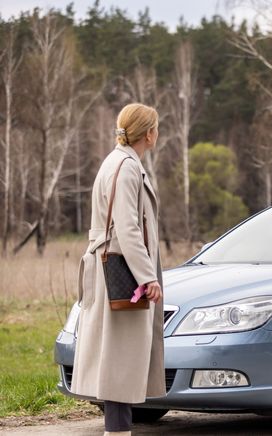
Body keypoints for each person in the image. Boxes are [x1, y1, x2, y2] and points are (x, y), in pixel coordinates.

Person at [71, 103, 165, 435]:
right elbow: (127, 228)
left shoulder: (119, 161)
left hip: (112, 270)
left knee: (118, 362)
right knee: (120, 363)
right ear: (149, 133)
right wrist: (147, 277)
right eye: (156, 127)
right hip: (122, 275)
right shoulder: (126, 166)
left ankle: (118, 431)